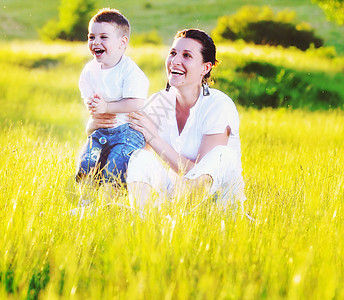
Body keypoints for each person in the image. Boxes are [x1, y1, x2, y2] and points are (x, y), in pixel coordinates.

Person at [88, 28, 246, 210]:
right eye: (173, 53)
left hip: (216, 204)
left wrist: (154, 138)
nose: (175, 61)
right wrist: (94, 127)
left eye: (187, 55)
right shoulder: (159, 102)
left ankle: (173, 213)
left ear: (205, 68)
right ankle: (141, 218)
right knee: (140, 157)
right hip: (176, 194)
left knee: (222, 155)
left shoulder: (218, 105)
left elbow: (199, 175)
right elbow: (129, 152)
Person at [76, 8, 149, 185]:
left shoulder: (129, 70)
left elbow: (136, 102)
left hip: (127, 132)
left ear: (122, 42)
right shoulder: (90, 70)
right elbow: (87, 95)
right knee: (87, 164)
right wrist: (92, 104)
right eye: (91, 37)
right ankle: (86, 202)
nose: (95, 42)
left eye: (103, 37)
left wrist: (107, 108)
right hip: (101, 131)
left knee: (115, 169)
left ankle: (112, 204)